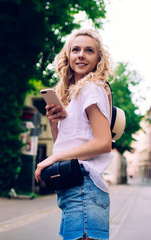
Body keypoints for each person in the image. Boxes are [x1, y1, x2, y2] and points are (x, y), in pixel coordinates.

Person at [35, 28, 115, 240]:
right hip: (74, 189)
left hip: (84, 188)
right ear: (67, 56)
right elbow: (65, 147)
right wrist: (55, 123)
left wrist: (52, 158)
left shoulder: (91, 87)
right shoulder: (72, 94)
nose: (81, 54)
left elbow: (104, 142)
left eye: (89, 50)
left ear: (98, 58)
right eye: (75, 49)